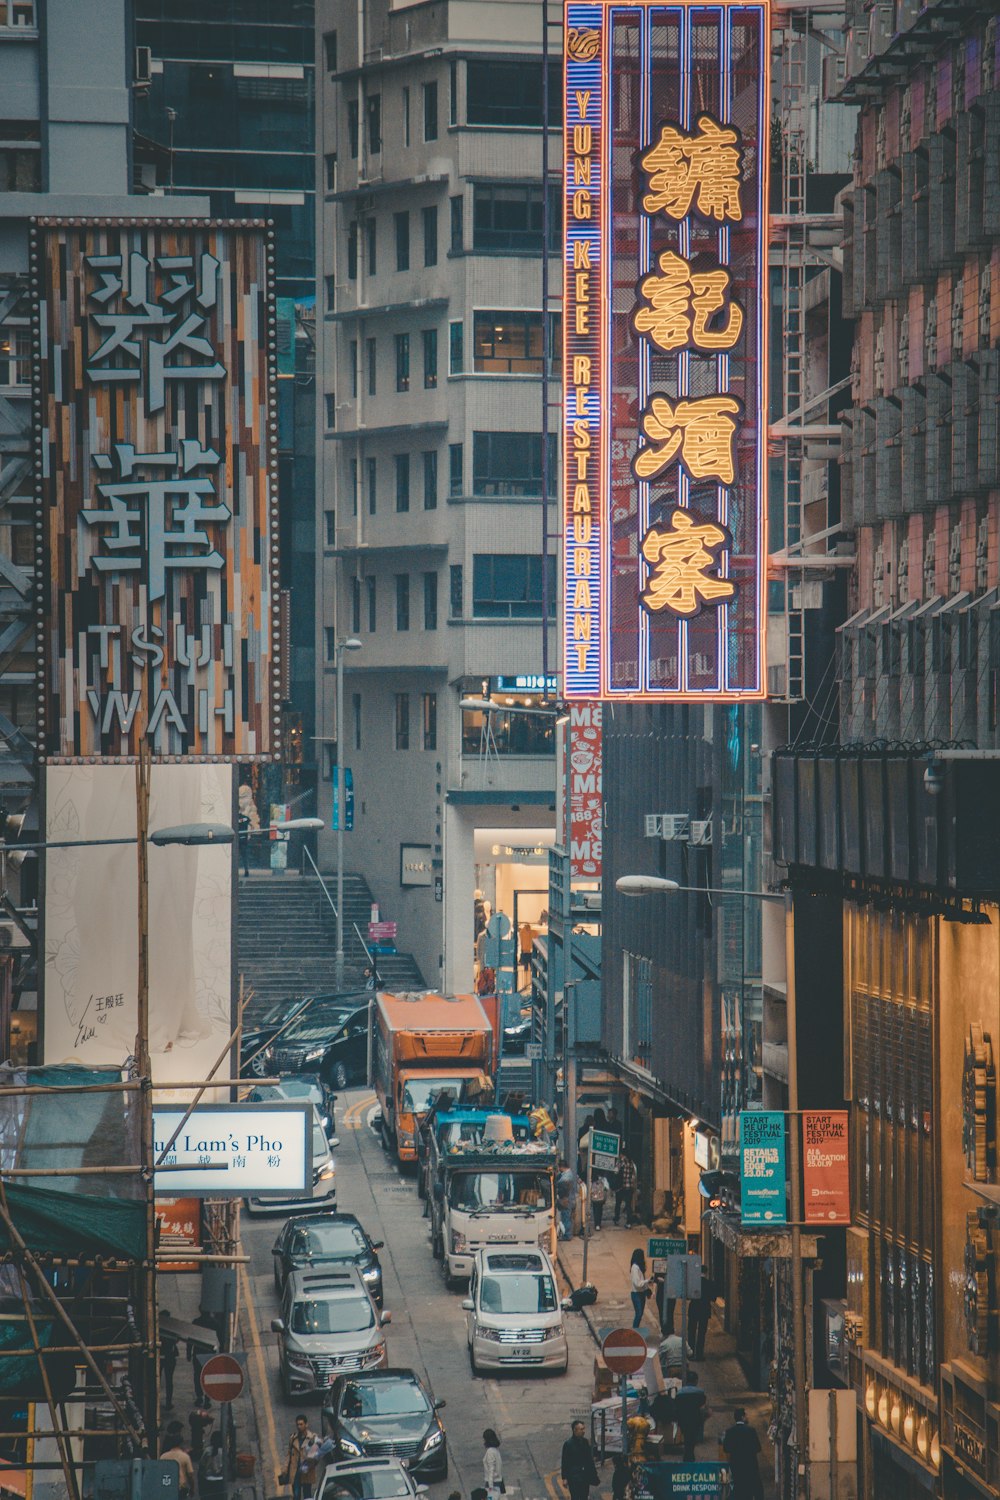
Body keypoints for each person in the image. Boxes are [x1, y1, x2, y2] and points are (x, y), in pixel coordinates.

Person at [722, 1408, 764, 1500]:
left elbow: (726, 1448)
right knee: (752, 1490)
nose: (748, 1417)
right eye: (746, 1415)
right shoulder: (751, 1431)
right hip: (750, 1466)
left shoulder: (730, 1432)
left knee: (739, 1491)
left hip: (736, 1466)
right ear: (742, 1417)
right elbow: (758, 1448)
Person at [671, 1372, 708, 1461]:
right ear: (696, 1381)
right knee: (692, 1439)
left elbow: (677, 1407)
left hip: (683, 1420)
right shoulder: (700, 1393)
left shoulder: (679, 1393)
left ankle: (688, 1456)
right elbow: (703, 1406)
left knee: (687, 1438)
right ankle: (690, 1456)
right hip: (695, 1419)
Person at [560, 1419, 599, 1500]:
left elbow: (589, 1460)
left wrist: (594, 1475)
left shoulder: (585, 1442)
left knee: (584, 1496)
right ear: (575, 1430)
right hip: (574, 1477)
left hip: (584, 1476)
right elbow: (565, 1462)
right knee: (576, 1497)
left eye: (584, 1428)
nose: (583, 1431)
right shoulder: (568, 1444)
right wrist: (564, 1478)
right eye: (581, 1429)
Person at [282, 1414, 319, 1500]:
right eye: (297, 1424)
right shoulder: (293, 1438)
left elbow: (317, 1457)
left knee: (307, 1495)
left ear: (306, 1424)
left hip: (306, 1472)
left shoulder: (312, 1438)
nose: (299, 1427)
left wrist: (311, 1463)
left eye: (301, 1424)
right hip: (295, 1472)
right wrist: (285, 1468)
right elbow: (289, 1454)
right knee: (296, 1495)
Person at [688, 1272, 713, 1359]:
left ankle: (691, 1352)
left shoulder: (693, 1283)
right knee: (702, 1332)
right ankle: (699, 1354)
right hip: (704, 1309)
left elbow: (688, 1296)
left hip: (694, 1308)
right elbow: (713, 1298)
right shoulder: (710, 1283)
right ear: (706, 1272)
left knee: (691, 1331)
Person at [161, 1431, 194, 1498]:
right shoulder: (185, 1457)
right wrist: (192, 1489)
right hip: (180, 1489)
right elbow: (190, 1475)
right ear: (180, 1444)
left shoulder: (163, 1456)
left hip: (167, 1487)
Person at [198, 1431, 226, 1497]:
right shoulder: (224, 1452)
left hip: (208, 1480)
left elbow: (202, 1464)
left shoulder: (207, 1451)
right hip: (220, 1481)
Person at [629, 1247, 650, 1329]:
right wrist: (647, 1281)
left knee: (640, 1314)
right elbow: (638, 1283)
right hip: (636, 1294)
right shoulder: (635, 1268)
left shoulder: (639, 1267)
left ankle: (636, 1330)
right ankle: (634, 1331)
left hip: (641, 1294)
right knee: (639, 1314)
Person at [556, 1164, 578, 1240]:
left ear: (562, 1167)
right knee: (567, 1218)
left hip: (566, 1200)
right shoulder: (569, 1174)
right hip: (569, 1199)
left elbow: (562, 1189)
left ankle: (567, 1235)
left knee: (566, 1218)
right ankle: (567, 1234)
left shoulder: (565, 1178)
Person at [615, 1152, 637, 1227]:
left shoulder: (620, 1162)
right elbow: (634, 1176)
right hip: (629, 1187)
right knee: (628, 1205)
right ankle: (629, 1223)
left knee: (618, 1203)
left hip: (620, 1187)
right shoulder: (631, 1163)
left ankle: (616, 1219)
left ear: (622, 1154)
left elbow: (616, 1172)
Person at [483, 1428, 503, 1500]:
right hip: (497, 1481)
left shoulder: (490, 1452)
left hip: (492, 1482)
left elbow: (491, 1469)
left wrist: (490, 1487)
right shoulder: (495, 1450)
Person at [160, 1333, 178, 1409]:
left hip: (161, 1354)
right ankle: (168, 1402)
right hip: (170, 1355)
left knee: (156, 1379)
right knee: (169, 1380)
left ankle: (155, 1400)